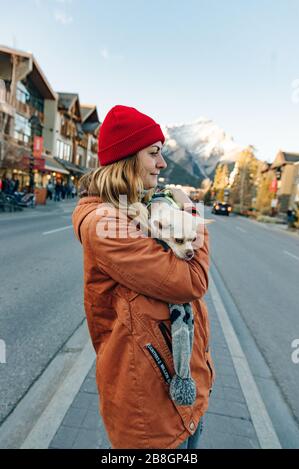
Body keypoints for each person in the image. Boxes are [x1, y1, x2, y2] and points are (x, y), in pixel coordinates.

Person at [72, 105, 215, 449]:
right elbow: (191, 282)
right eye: (153, 153)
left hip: (177, 399)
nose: (162, 163)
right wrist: (193, 214)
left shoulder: (135, 209)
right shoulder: (106, 224)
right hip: (149, 416)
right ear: (127, 159)